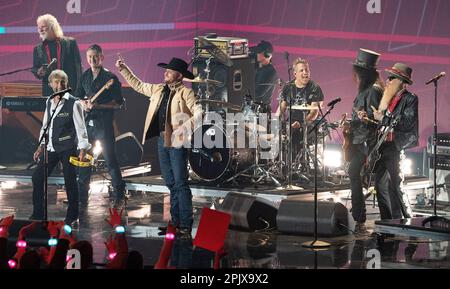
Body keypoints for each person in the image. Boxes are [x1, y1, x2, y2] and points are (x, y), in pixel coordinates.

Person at [115, 56, 202, 238]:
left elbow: (200, 113)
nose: (165, 73)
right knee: (170, 183)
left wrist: (183, 128)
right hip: (162, 141)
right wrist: (124, 69)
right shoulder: (158, 89)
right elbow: (138, 85)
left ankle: (185, 225)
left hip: (177, 141)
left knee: (180, 183)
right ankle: (175, 224)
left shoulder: (186, 93)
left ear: (178, 75)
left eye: (169, 71)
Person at [30, 70, 90, 226]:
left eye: (62, 81)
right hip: (51, 147)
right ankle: (37, 213)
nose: (60, 84)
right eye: (56, 82)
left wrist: (83, 149)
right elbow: (45, 126)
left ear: (67, 83)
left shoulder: (74, 102)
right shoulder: (49, 101)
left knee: (70, 181)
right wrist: (41, 146)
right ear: (51, 84)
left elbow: (81, 128)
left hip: (68, 147)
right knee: (37, 177)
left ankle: (72, 215)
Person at [76, 44, 126, 208]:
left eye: (95, 56)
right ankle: (82, 196)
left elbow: (118, 104)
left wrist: (98, 106)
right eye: (89, 57)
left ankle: (119, 194)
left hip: (104, 126)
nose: (92, 60)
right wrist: (83, 102)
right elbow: (78, 97)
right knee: (84, 161)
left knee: (111, 160)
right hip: (88, 126)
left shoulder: (110, 78)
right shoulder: (84, 76)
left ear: (102, 57)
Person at [371, 63, 418, 220]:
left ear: (401, 81)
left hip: (396, 146)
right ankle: (387, 219)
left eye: (393, 78)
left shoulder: (410, 99)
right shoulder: (387, 99)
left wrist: (383, 118)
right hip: (383, 146)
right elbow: (384, 123)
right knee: (379, 184)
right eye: (389, 77)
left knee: (395, 185)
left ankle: (403, 219)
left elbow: (406, 123)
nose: (388, 80)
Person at [348, 49, 383, 231]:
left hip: (369, 143)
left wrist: (365, 119)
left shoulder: (374, 91)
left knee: (356, 173)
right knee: (353, 172)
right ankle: (358, 213)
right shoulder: (364, 90)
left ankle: (359, 213)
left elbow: (379, 119)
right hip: (359, 141)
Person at [279, 58, 324, 163]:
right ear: (295, 74)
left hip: (309, 124)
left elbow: (314, 112)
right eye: (302, 70)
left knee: (296, 134)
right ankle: (283, 164)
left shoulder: (315, 88)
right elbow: (282, 109)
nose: (305, 73)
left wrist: (301, 123)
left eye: (307, 70)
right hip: (291, 122)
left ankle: (299, 164)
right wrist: (278, 122)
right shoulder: (288, 87)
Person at [32, 14, 82, 96]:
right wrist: (38, 72)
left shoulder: (70, 43)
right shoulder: (38, 49)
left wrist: (80, 91)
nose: (40, 30)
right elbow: (35, 68)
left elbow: (78, 68)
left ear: (52, 26)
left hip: (70, 90)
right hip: (49, 92)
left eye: (43, 26)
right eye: (39, 27)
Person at [254, 40, 278, 111]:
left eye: (259, 52)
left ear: (267, 55)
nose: (257, 54)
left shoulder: (271, 72)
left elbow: (258, 94)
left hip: (262, 111)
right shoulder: (256, 67)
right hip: (252, 108)